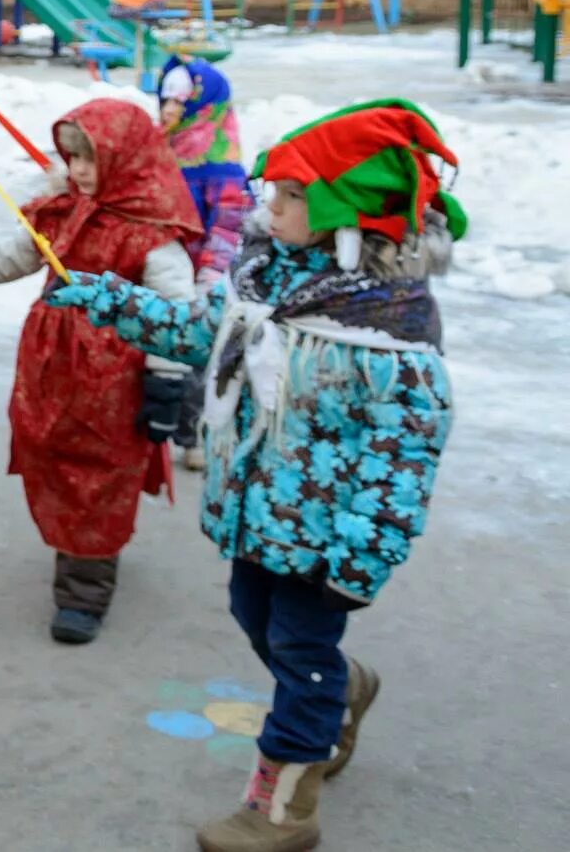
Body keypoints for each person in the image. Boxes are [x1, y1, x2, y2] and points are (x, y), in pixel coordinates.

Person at [46, 100, 460, 852]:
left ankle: (283, 808)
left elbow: (401, 456)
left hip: (326, 541)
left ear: (346, 214)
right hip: (258, 515)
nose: (269, 208)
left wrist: (358, 560)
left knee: (299, 653)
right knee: (254, 617)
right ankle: (338, 694)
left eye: (290, 196)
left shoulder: (388, 335)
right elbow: (200, 329)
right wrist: (105, 297)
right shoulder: (276, 279)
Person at [0, 99, 198, 644]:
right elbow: (18, 253)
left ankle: (84, 590)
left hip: (115, 376)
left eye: (90, 159)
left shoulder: (151, 232)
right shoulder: (63, 208)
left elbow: (176, 311)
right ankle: (79, 548)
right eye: (72, 158)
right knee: (50, 454)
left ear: (127, 158)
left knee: (99, 472)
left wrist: (166, 381)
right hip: (52, 369)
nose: (79, 172)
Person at [159, 56, 255, 470]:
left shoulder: (221, 162)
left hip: (202, 272)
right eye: (164, 100)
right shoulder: (162, 151)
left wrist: (210, 276)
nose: (168, 112)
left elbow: (230, 224)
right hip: (160, 265)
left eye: (178, 103)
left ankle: (192, 434)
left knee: (197, 355)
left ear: (201, 105)